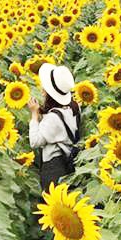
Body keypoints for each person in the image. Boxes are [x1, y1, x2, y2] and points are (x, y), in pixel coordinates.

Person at [28, 63, 80, 192]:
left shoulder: (53, 118)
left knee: (53, 202)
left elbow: (35, 141)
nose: (42, 89)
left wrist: (34, 115)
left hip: (54, 165)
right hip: (69, 161)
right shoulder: (75, 107)